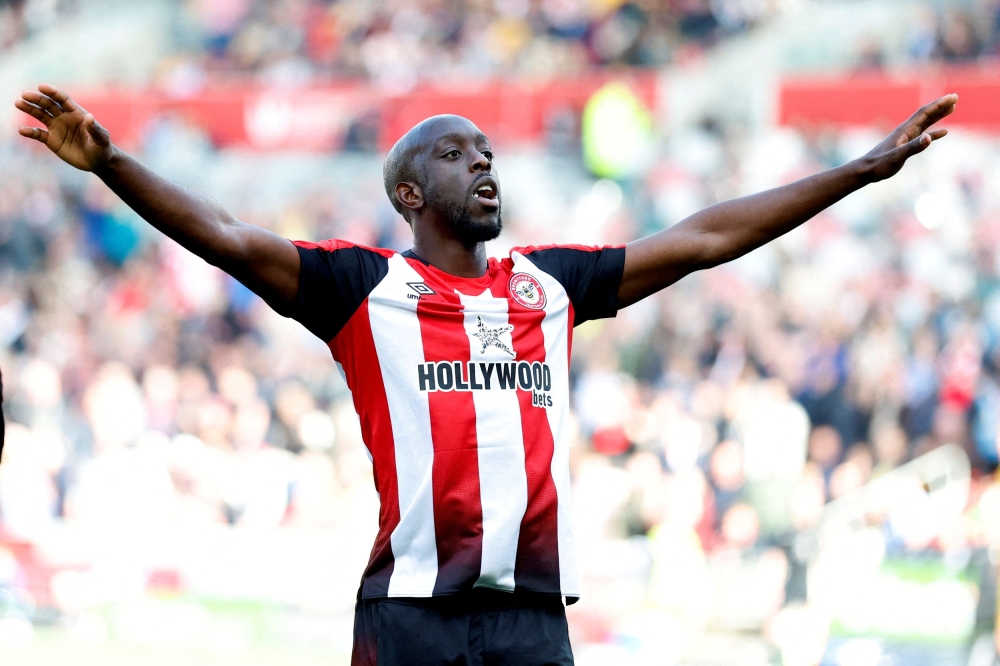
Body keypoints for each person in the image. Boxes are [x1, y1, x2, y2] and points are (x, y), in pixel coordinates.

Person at [14, 84, 956, 665]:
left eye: (489, 152)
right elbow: (226, 237)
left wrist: (860, 170)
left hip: (532, 622)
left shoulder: (552, 287)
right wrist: (113, 164)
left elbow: (705, 239)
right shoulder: (359, 289)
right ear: (410, 194)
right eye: (456, 154)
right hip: (411, 620)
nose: (484, 165)